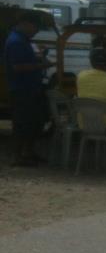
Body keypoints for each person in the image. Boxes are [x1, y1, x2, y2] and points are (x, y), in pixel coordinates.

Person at [3, 9, 51, 166]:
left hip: (30, 87)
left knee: (33, 122)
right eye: (35, 28)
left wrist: (41, 55)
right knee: (21, 124)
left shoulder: (22, 40)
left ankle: (28, 152)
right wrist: (41, 65)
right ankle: (17, 156)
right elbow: (17, 66)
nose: (36, 32)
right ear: (25, 24)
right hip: (22, 88)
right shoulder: (16, 41)